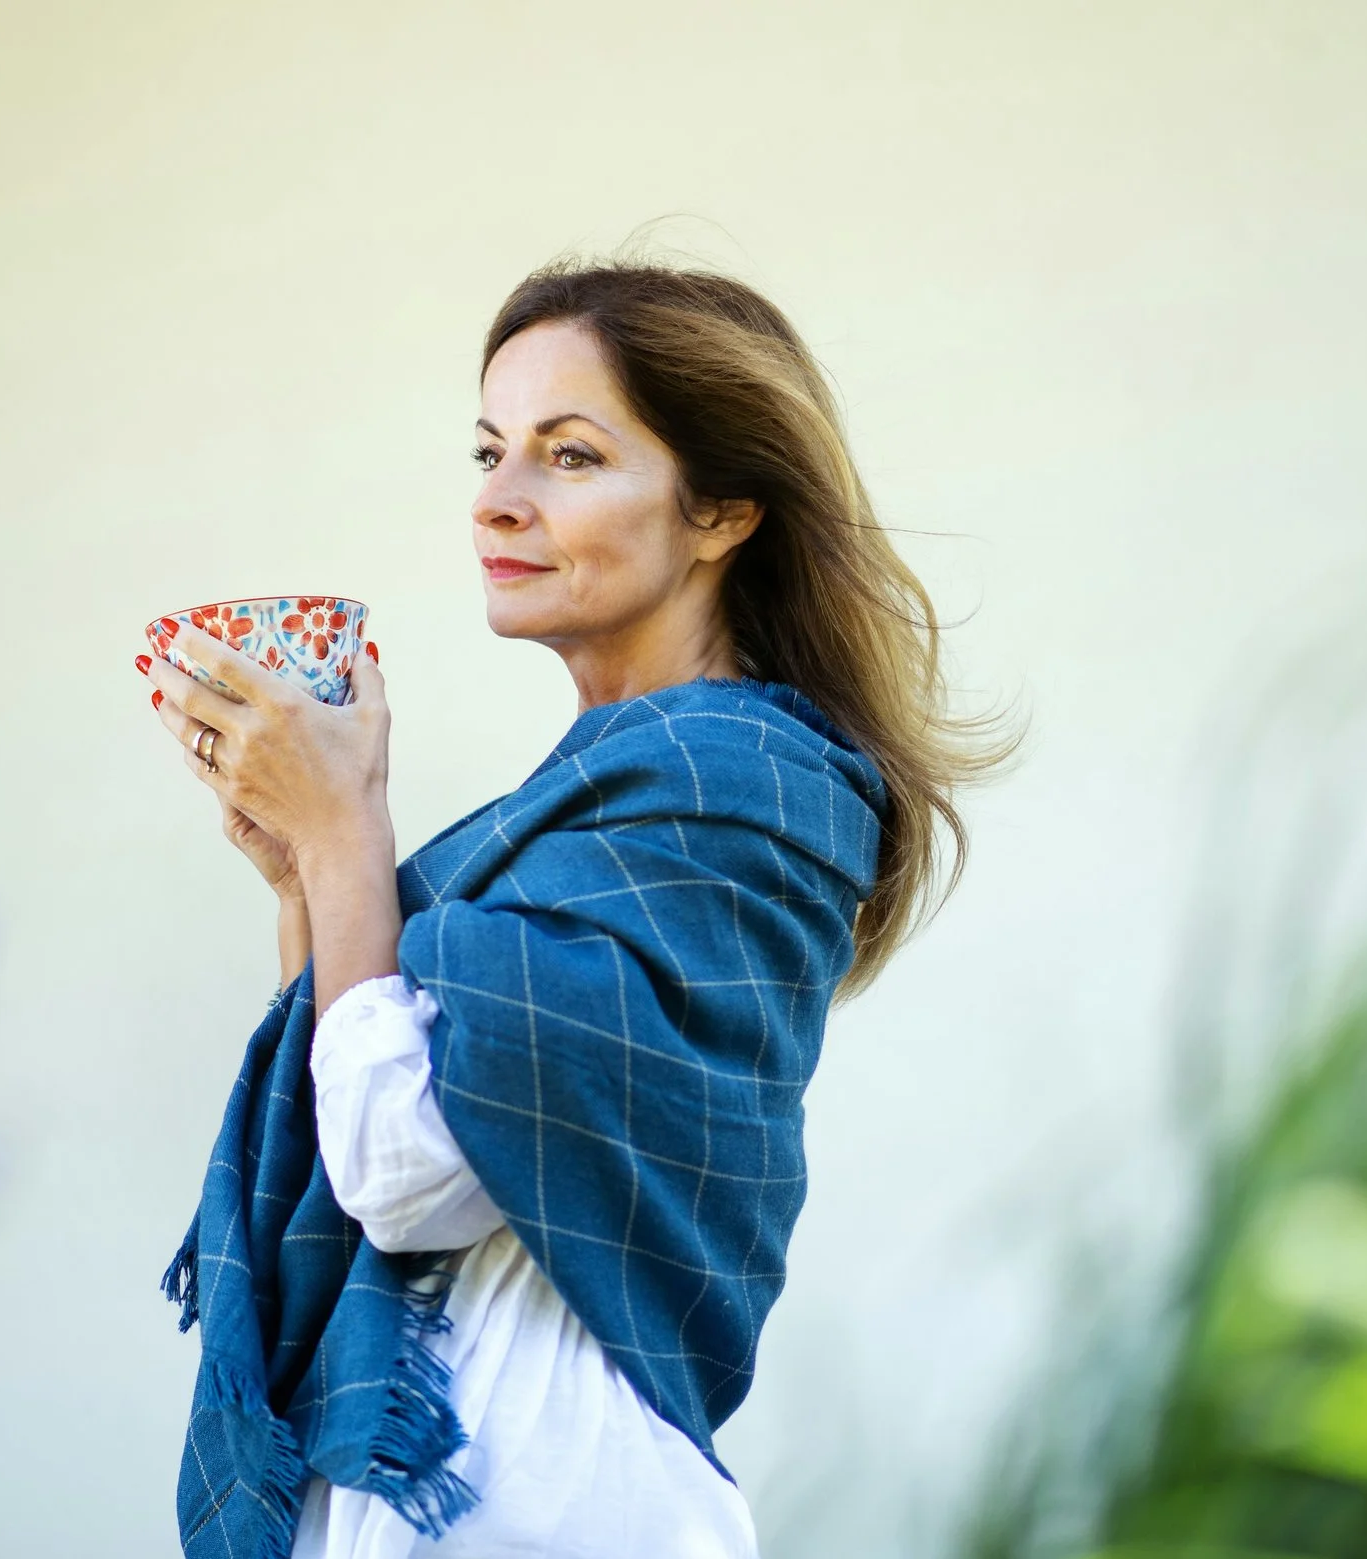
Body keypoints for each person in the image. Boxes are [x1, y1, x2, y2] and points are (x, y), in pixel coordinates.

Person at [140, 260, 1006, 1557]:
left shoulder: (743, 798)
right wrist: (307, 876)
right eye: (490, 451)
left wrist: (349, 838)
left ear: (719, 509)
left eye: (571, 455)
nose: (499, 500)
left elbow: (400, 1167)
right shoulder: (590, 812)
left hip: (554, 1504)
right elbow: (355, 1112)